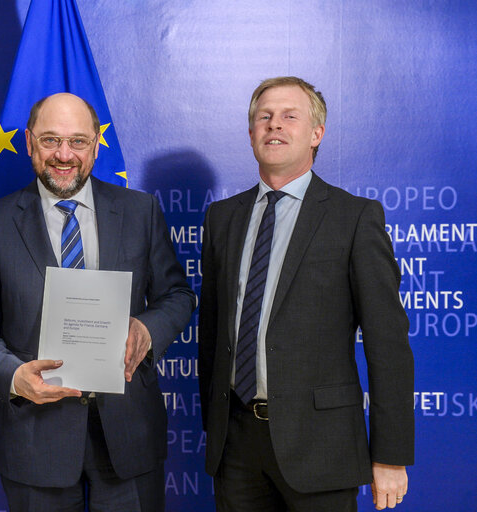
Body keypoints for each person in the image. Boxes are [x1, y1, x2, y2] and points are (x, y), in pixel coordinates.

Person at [0, 92, 194, 511]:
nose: (64, 155)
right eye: (50, 140)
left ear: (96, 145)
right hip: (35, 439)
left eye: (78, 141)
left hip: (129, 434)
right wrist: (13, 375)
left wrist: (147, 329)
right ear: (28, 142)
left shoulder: (140, 212)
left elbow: (177, 295)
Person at [198, 76, 414, 511]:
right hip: (236, 447)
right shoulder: (222, 218)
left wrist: (389, 456)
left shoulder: (354, 218)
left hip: (322, 450)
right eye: (264, 117)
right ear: (251, 132)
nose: (274, 125)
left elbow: (387, 344)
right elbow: (213, 330)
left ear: (316, 134)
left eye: (289, 116)